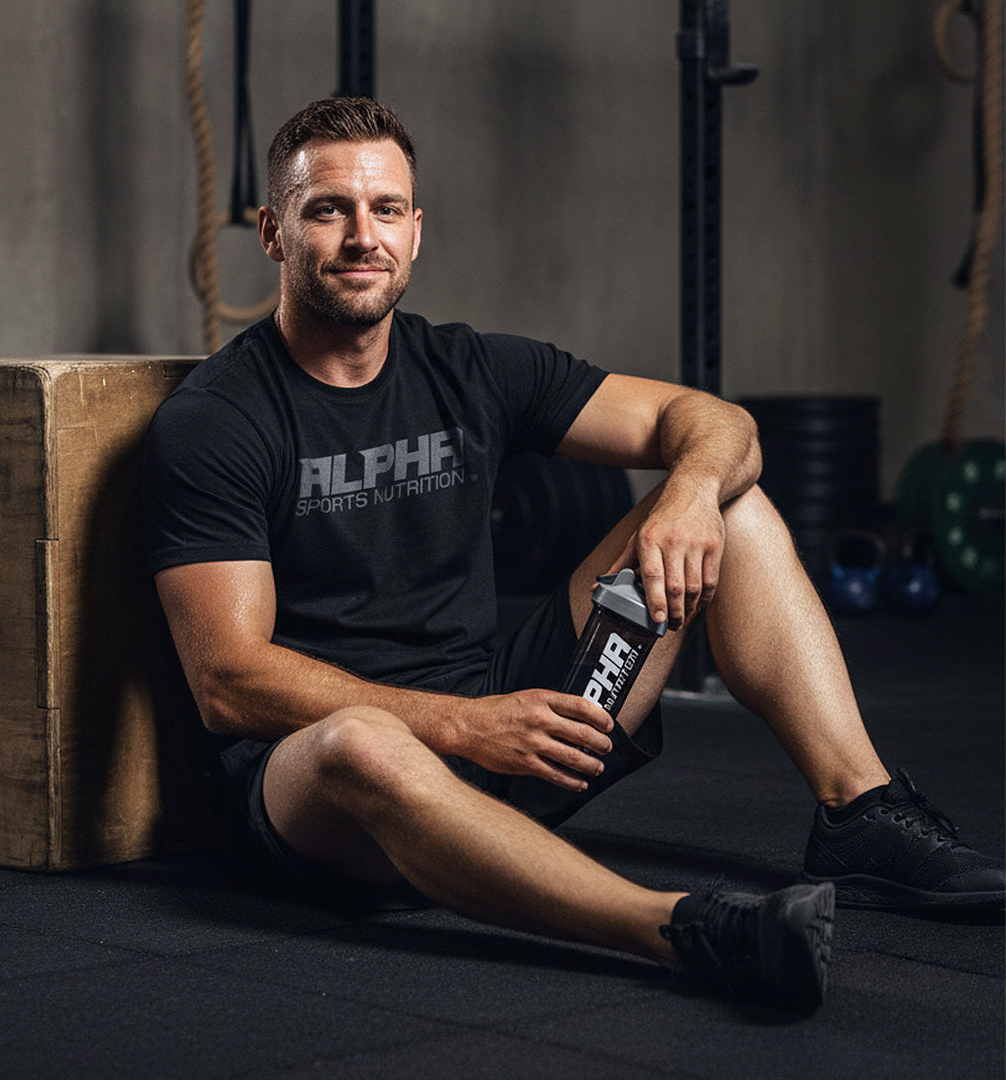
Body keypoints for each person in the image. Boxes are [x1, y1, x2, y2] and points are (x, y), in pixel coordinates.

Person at [142, 97, 1004, 1014]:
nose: (363, 236)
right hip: (334, 791)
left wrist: (684, 495)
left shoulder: (470, 370)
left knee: (733, 505)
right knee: (363, 745)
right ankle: (677, 928)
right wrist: (459, 727)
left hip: (521, 732)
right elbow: (229, 682)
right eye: (329, 211)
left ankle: (859, 812)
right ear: (273, 233)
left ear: (417, 229)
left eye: (385, 209)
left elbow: (721, 426)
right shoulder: (217, 421)